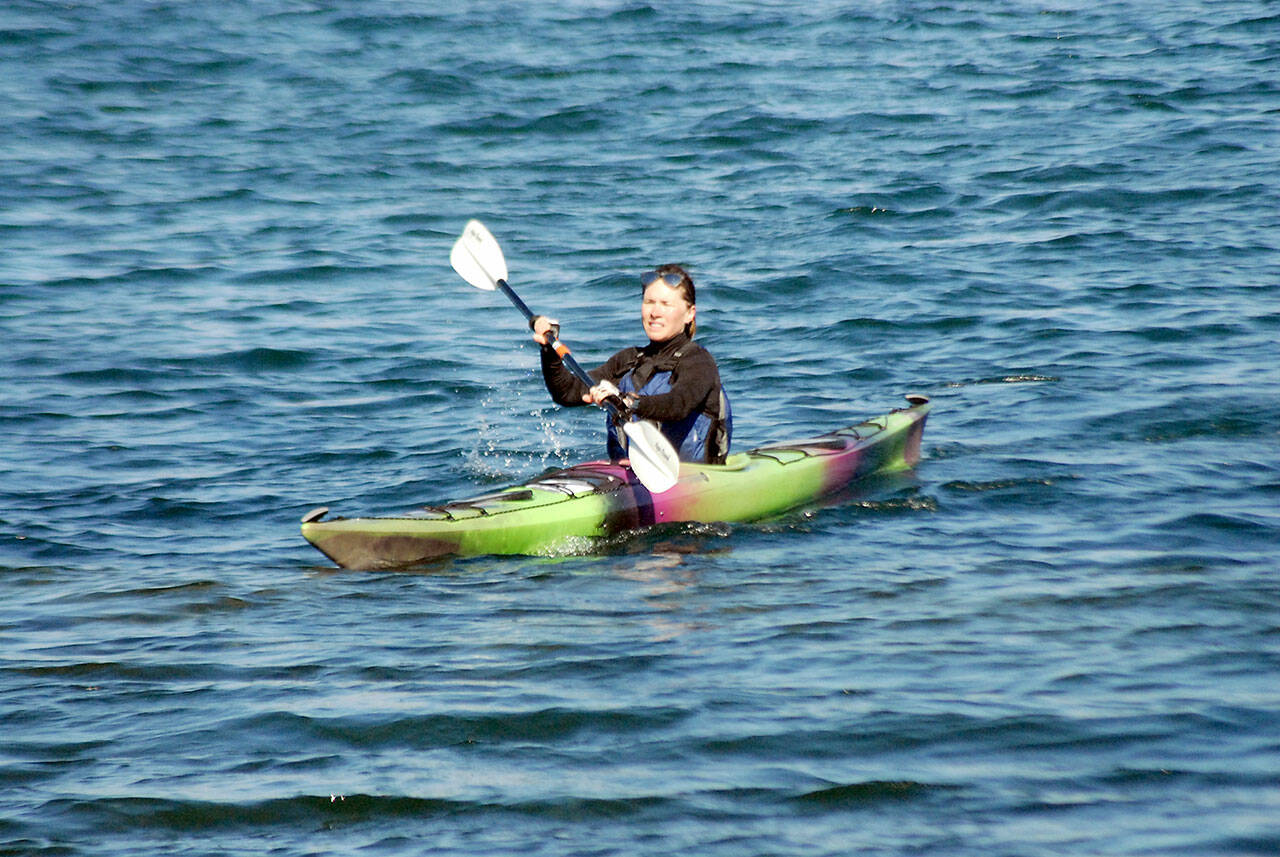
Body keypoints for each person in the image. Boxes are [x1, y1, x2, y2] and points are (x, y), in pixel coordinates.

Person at [530, 264, 732, 465]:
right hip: (628, 477)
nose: (655, 312)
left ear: (690, 313)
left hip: (692, 476)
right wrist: (549, 350)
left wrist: (627, 402)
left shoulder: (698, 360)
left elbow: (678, 404)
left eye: (666, 304)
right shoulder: (629, 360)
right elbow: (567, 392)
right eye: (649, 301)